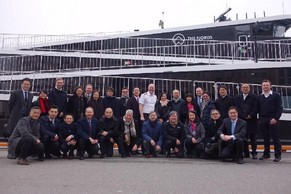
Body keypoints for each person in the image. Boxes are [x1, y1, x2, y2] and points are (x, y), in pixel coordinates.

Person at [258, 80, 283, 162]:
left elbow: (279, 108)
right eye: (264, 85)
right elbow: (258, 108)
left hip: (273, 119)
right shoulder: (260, 97)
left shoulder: (276, 95)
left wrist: (275, 118)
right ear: (262, 86)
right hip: (263, 119)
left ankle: (278, 155)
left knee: (275, 138)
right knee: (265, 138)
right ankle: (266, 154)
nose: (265, 86)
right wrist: (260, 119)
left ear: (270, 86)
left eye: (267, 85)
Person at [235, 83, 258, 159]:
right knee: (244, 137)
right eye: (243, 87)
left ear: (249, 88)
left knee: (253, 138)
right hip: (241, 120)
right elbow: (237, 107)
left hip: (252, 120)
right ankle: (246, 152)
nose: (245, 88)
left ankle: (254, 153)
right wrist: (241, 116)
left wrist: (250, 115)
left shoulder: (254, 97)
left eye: (246, 87)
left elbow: (256, 107)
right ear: (241, 89)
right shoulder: (238, 97)